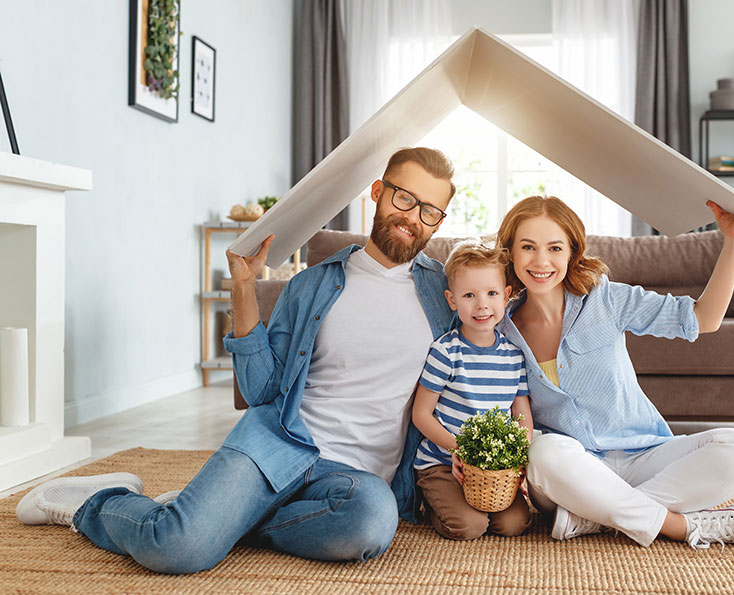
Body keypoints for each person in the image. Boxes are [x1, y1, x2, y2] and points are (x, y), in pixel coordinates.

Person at [16, 147, 458, 573]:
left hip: (354, 483)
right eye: (405, 198)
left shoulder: (445, 296)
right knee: (176, 550)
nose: (413, 218)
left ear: (438, 222)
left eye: (430, 211)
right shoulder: (312, 286)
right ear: (378, 192)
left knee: (370, 526)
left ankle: (216, 519)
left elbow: (503, 319)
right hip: (279, 446)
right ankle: (96, 503)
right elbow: (260, 390)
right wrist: (243, 289)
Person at [494, 195, 734, 551]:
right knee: (543, 451)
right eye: (528, 247)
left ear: (572, 252)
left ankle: (595, 517)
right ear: (510, 252)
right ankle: (677, 526)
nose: (541, 261)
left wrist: (733, 240)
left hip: (645, 455)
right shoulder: (499, 327)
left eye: (555, 248)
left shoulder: (607, 300)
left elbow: (704, 319)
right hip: (571, 473)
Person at [411, 240, 534, 540]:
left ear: (506, 296)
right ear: (452, 301)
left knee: (514, 524)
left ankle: (479, 506)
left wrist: (516, 457)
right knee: (469, 526)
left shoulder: (513, 356)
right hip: (442, 463)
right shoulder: (445, 352)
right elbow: (421, 414)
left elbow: (522, 416)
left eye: (492, 293)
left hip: (493, 471)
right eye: (469, 295)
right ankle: (433, 501)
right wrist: (459, 449)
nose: (482, 305)